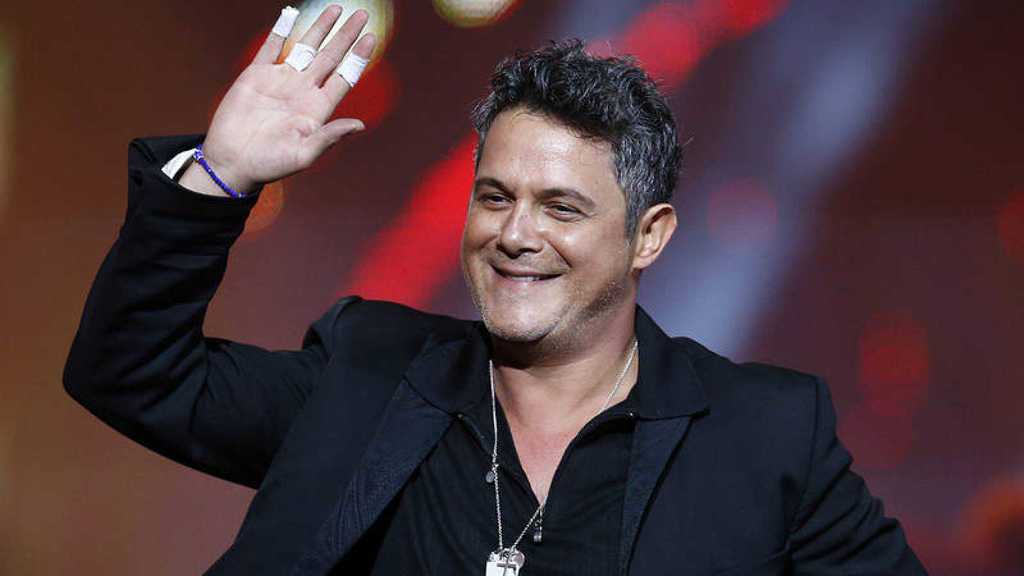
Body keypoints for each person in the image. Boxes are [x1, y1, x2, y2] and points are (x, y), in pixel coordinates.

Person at [63, 5, 927, 575]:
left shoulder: (767, 435)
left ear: (650, 236)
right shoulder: (365, 376)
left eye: (562, 207)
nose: (515, 234)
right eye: (495, 197)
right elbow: (130, 373)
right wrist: (218, 175)